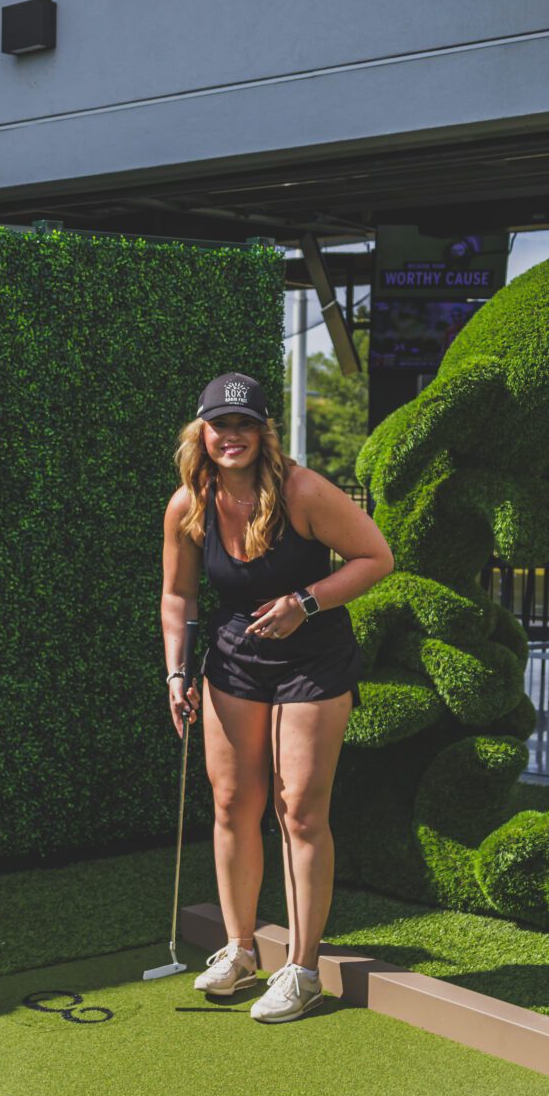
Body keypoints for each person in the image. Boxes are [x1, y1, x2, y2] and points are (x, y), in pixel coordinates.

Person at [161, 371, 393, 1023]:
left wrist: (305, 600)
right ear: (201, 432)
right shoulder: (188, 503)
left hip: (313, 660)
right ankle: (238, 950)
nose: (230, 436)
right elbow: (178, 595)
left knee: (297, 808)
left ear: (263, 431)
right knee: (234, 801)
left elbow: (376, 556)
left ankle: (301, 967)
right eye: (218, 424)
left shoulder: (302, 491)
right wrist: (177, 672)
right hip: (235, 660)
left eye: (243, 424)